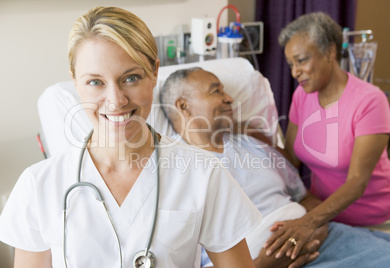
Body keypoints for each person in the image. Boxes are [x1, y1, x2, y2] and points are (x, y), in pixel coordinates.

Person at [0, 7, 262, 268]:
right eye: (95, 82)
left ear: (154, 74)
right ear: (75, 82)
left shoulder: (203, 174)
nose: (116, 101)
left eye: (131, 78)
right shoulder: (38, 186)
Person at [159, 67, 390, 268]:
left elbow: (307, 198)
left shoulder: (254, 145)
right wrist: (264, 263)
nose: (229, 98)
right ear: (183, 106)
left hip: (325, 241)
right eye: (216, 91)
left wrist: (310, 227)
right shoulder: (172, 174)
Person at [263, 11, 390, 258]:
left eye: (302, 60)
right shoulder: (302, 96)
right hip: (328, 220)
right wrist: (253, 135)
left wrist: (308, 221)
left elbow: (357, 182)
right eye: (291, 64)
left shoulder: (369, 101)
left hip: (380, 220)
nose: (295, 72)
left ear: (329, 52)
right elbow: (292, 162)